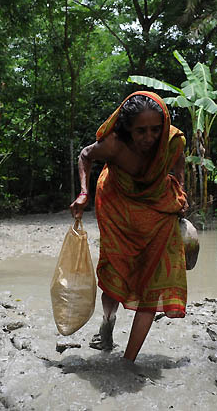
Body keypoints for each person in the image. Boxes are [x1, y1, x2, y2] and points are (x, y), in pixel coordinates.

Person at [69, 91, 188, 362]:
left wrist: (180, 191)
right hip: (116, 207)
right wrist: (84, 193)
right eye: (141, 131)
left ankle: (128, 361)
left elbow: (179, 162)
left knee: (153, 282)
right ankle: (107, 325)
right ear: (127, 130)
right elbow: (85, 155)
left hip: (158, 208)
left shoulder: (171, 141)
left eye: (155, 130)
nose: (149, 138)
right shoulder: (113, 144)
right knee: (115, 274)